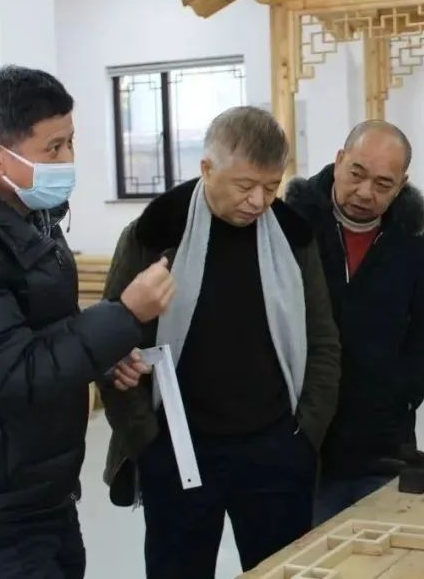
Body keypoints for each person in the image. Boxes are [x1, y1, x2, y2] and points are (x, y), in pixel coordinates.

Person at [0, 65, 175, 579]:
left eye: (70, 142)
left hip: (38, 485)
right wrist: (124, 316)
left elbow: (38, 325)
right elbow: (9, 372)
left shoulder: (26, 210)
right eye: (53, 148)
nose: (68, 160)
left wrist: (103, 351)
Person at [98, 106, 341, 578]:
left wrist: (305, 434)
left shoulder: (293, 237)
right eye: (245, 185)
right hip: (178, 450)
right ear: (207, 168)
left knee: (280, 572)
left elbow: (322, 340)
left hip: (275, 448)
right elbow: (113, 342)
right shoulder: (156, 233)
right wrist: (148, 442)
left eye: (271, 187)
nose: (258, 201)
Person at [284, 120, 424, 524]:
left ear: (401, 185)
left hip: (382, 438)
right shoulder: (294, 223)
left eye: (382, 184)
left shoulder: (416, 234)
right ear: (339, 160)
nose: (364, 192)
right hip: (303, 432)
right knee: (304, 547)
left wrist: (403, 394)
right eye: (356, 174)